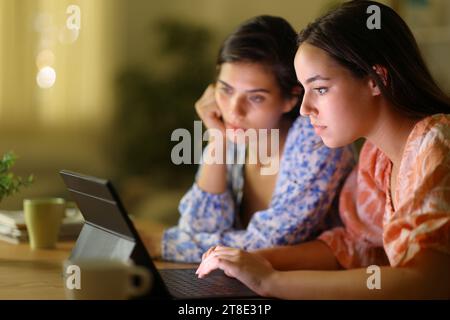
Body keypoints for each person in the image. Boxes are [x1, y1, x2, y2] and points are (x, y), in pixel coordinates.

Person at [196, 1, 450, 299]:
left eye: (320, 89)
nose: (305, 109)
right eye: (304, 90)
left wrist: (271, 282)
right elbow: (352, 246)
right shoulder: (377, 158)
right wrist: (256, 260)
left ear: (376, 79)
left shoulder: (437, 142)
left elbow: (426, 282)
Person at [154, 15, 355, 262]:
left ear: (290, 99)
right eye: (226, 90)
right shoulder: (239, 137)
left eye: (255, 97)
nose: (234, 111)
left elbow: (269, 243)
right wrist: (218, 138)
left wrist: (164, 243)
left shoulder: (315, 140)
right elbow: (198, 228)